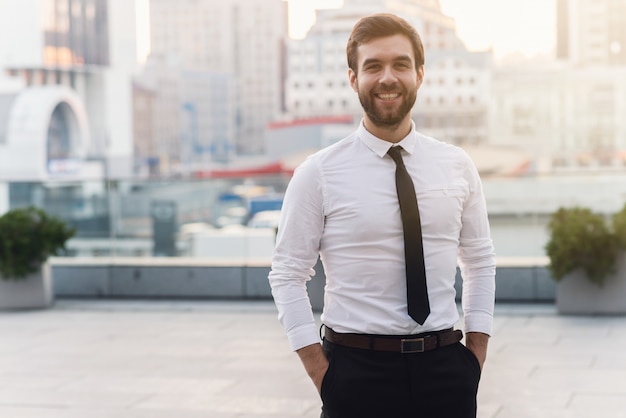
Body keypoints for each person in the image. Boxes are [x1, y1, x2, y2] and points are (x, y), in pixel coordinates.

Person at [268, 12, 496, 418]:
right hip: (356, 375)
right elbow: (287, 273)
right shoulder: (318, 173)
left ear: (420, 74)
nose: (387, 77)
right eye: (373, 66)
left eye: (400, 64)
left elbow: (479, 261)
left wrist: (474, 357)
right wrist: (322, 373)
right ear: (354, 78)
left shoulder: (457, 165)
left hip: (446, 371)